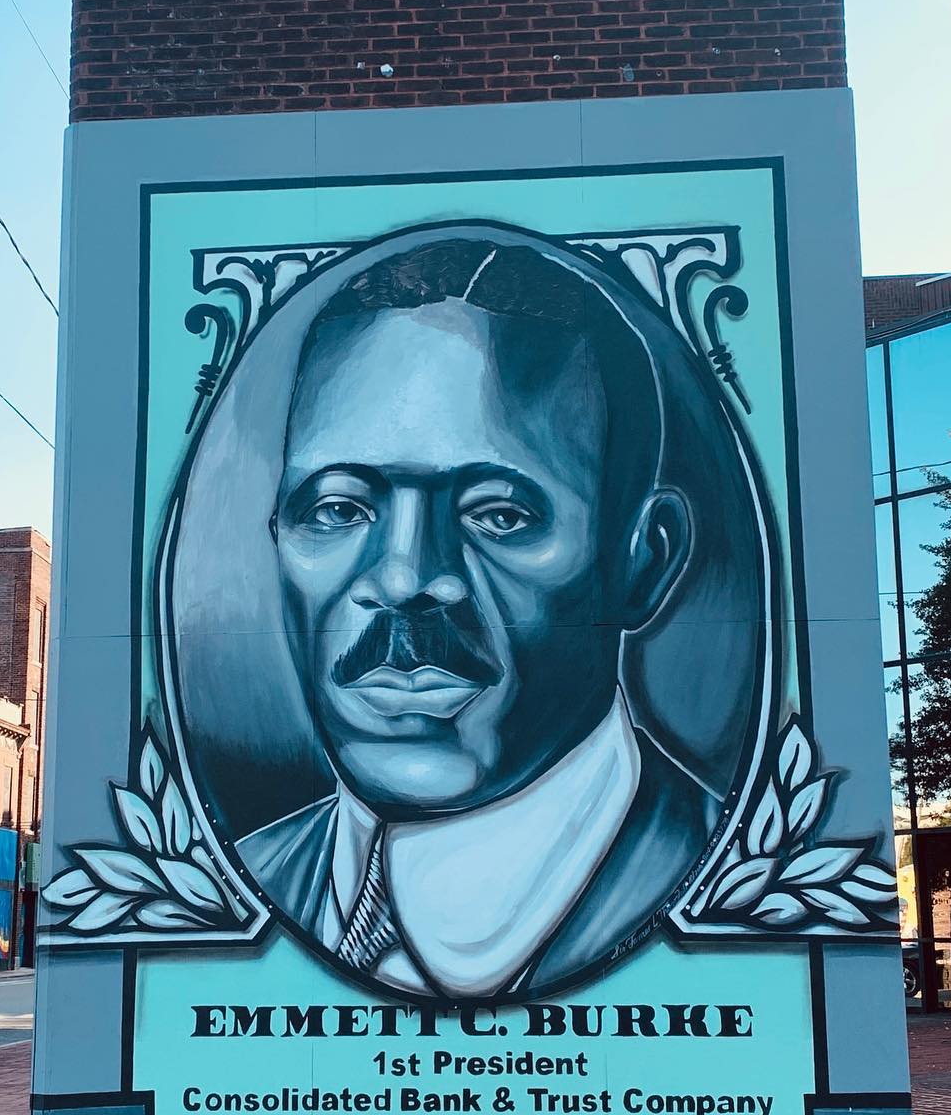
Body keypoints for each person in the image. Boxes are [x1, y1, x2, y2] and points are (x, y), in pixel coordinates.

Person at [236, 236, 727, 997]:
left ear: (644, 560)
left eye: (498, 515)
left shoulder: (725, 874)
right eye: (336, 508)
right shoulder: (249, 877)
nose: (405, 577)